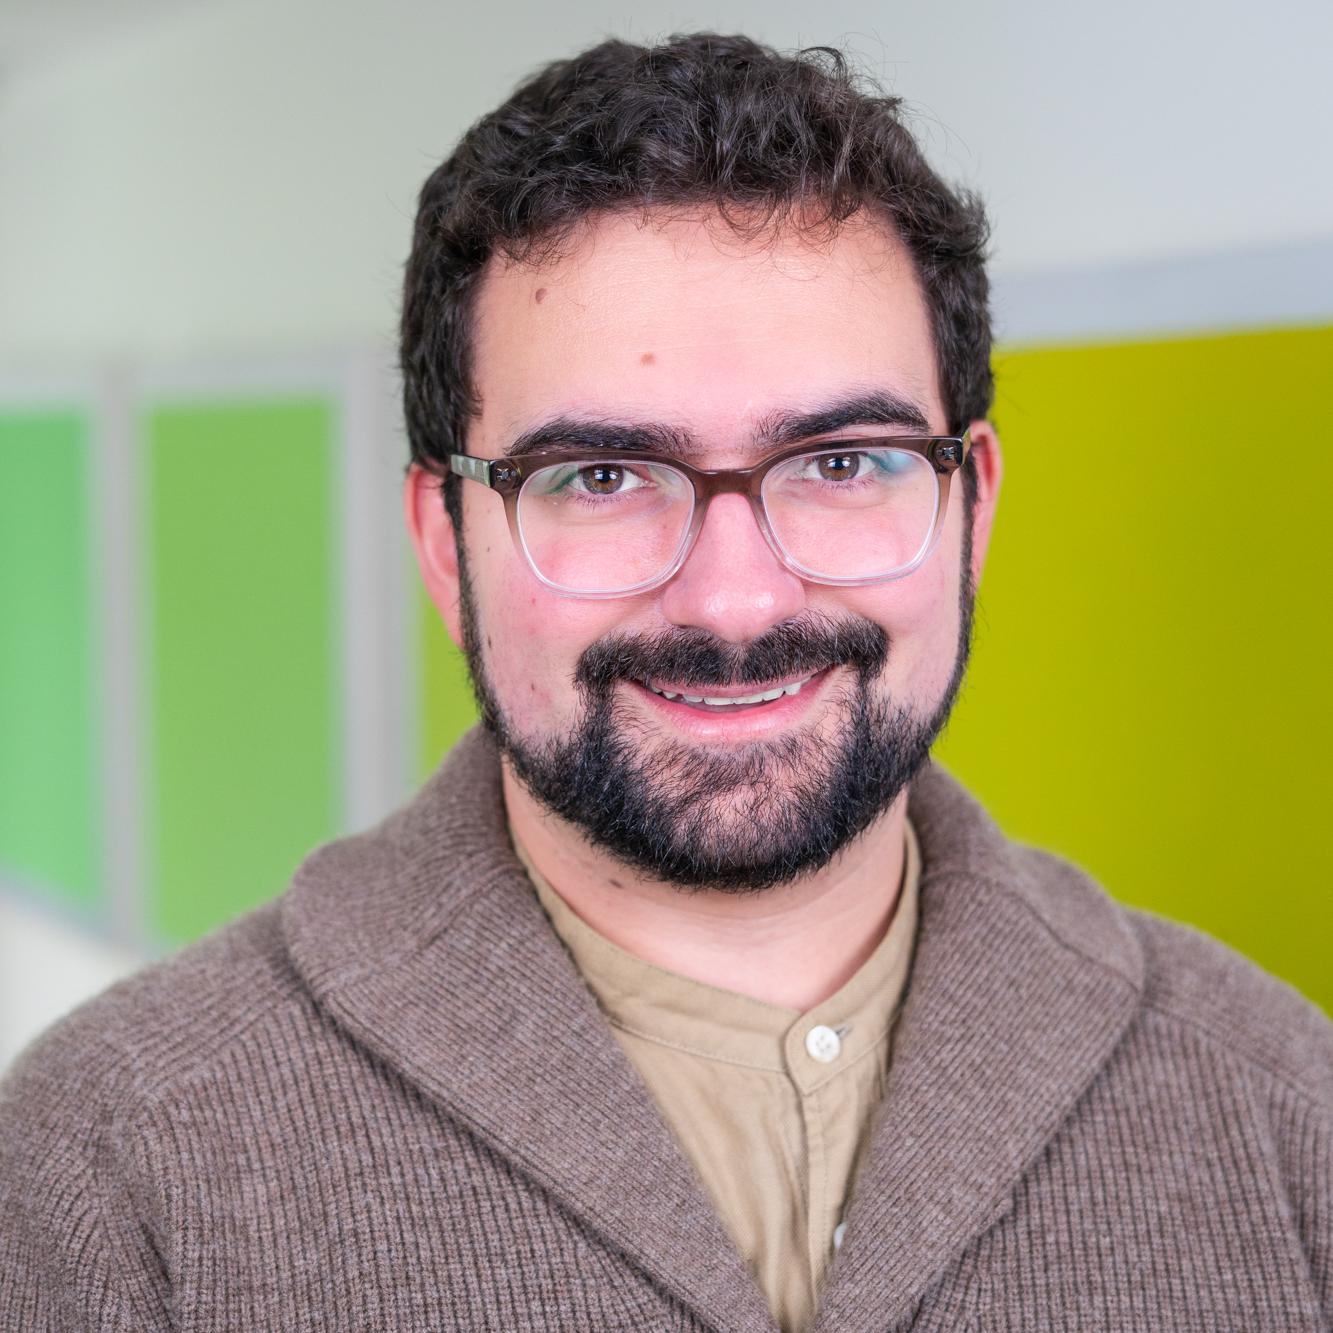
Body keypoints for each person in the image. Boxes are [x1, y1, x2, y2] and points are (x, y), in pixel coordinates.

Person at [2, 32, 1330, 1333]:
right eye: (600, 478)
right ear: (439, 540)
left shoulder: (1283, 1106)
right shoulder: (109, 1173)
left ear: (969, 507)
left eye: (843, 460)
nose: (733, 600)